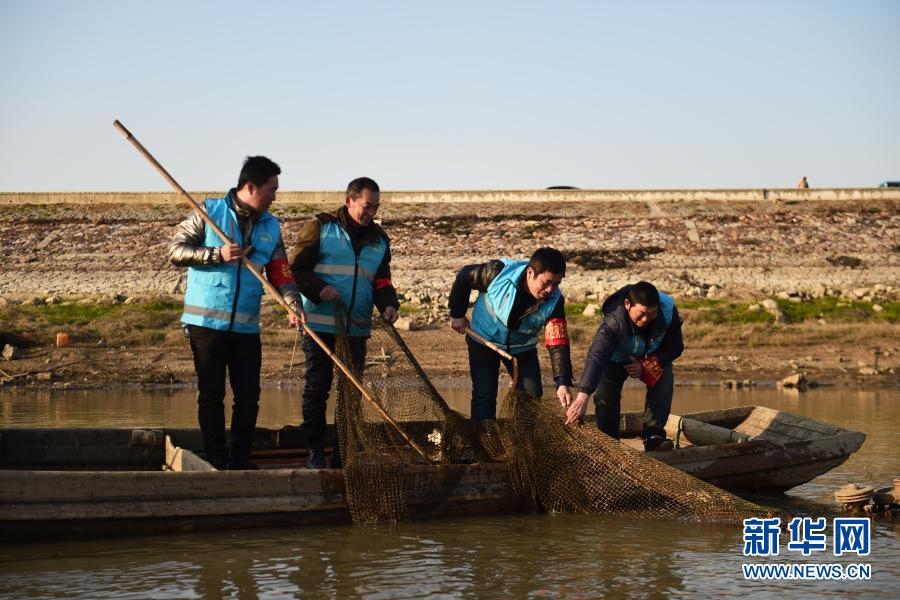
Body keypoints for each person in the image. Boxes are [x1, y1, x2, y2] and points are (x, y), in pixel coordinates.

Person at [168, 156, 304, 470]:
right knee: (211, 394)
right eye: (272, 190)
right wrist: (216, 254)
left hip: (245, 327)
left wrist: (293, 304)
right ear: (251, 186)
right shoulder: (208, 212)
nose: (275, 197)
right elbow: (175, 251)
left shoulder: (271, 225)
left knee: (248, 397)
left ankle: (241, 460)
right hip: (206, 324)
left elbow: (281, 272)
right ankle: (216, 458)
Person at [290, 177, 400, 469]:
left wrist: (389, 304)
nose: (371, 213)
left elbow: (382, 280)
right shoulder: (320, 227)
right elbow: (296, 269)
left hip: (356, 328)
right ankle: (315, 452)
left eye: (375, 207)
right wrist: (318, 289)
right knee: (317, 388)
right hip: (320, 325)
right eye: (366, 206)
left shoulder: (380, 239)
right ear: (349, 200)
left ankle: (343, 455)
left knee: (350, 395)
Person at [448, 248, 574, 424]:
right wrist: (457, 313)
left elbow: (558, 341)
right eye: (547, 282)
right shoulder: (496, 272)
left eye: (556, 284)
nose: (550, 289)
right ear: (530, 273)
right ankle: (484, 446)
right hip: (483, 340)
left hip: (522, 348)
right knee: (484, 397)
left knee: (532, 397)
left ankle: (524, 447)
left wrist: (562, 382)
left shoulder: (555, 300)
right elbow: (464, 276)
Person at [565, 281, 683, 451]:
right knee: (605, 396)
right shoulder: (614, 319)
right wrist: (583, 395)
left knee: (665, 378)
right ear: (628, 305)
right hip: (615, 359)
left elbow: (675, 347)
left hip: (650, 358)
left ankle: (653, 435)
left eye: (652, 314)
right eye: (641, 314)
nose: (646, 319)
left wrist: (646, 365)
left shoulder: (668, 310)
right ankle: (610, 444)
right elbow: (597, 354)